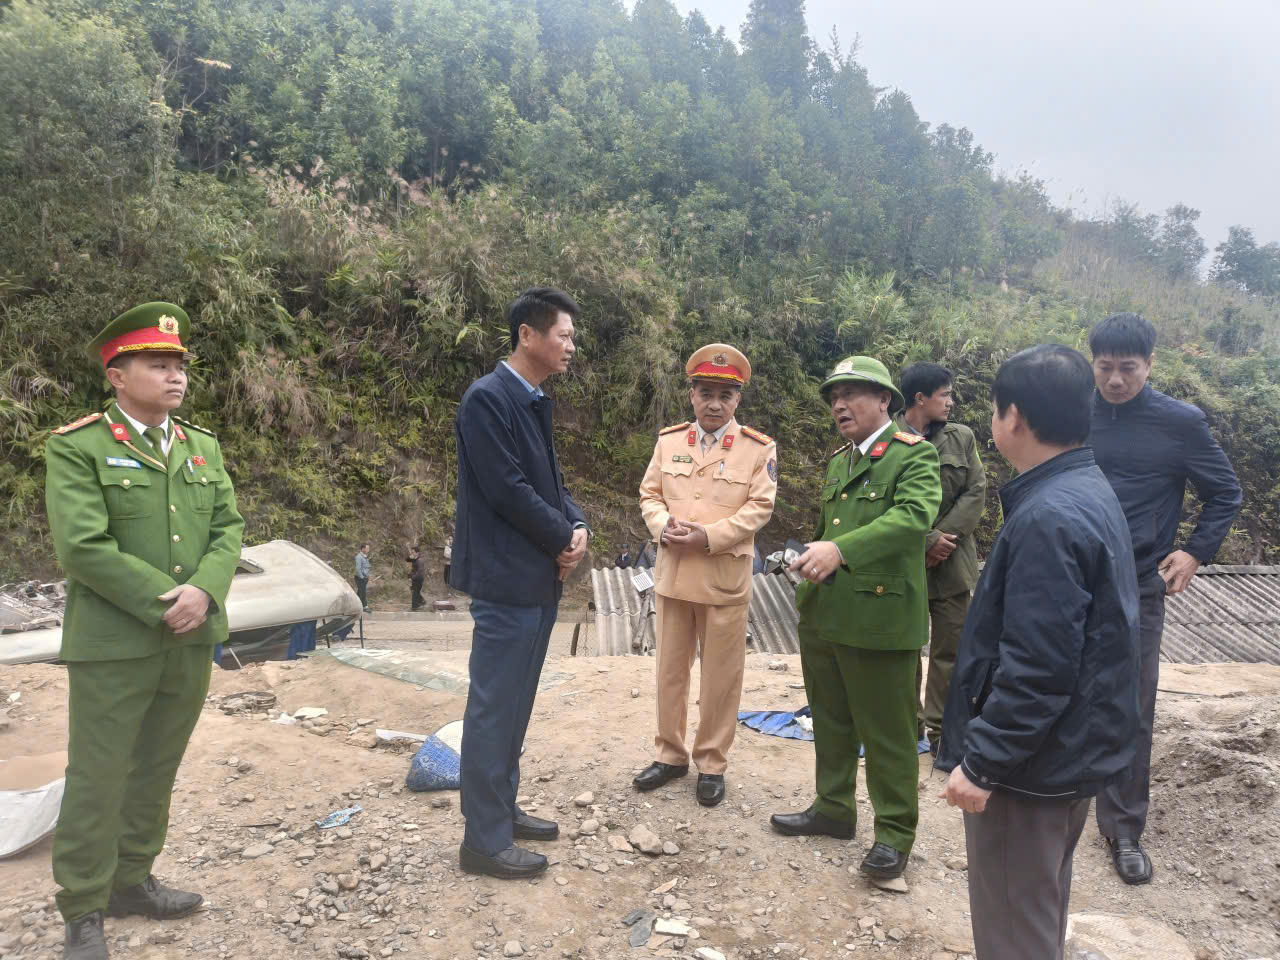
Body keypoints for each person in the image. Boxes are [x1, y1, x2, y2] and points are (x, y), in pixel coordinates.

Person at [45, 303, 245, 960]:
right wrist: (165, 601)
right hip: (114, 643)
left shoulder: (201, 447)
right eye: (157, 364)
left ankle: (132, 879)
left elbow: (228, 530)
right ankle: (82, 906)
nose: (174, 375)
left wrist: (205, 590)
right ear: (117, 375)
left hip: (189, 641)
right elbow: (82, 547)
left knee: (157, 767)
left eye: (178, 364)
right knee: (98, 775)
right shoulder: (79, 447)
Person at [936, 344, 1140, 960]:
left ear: (1013, 417)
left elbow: (1039, 665)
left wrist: (985, 762)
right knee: (1036, 906)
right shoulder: (1085, 486)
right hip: (1067, 749)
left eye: (996, 410)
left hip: (1029, 769)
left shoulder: (1048, 517)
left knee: (1011, 928)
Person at [1087, 312, 1242, 884]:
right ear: (1093, 364)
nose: (1117, 380)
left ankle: (1123, 827)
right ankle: (1051, 795)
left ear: (1151, 365)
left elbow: (1225, 492)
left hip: (1137, 582)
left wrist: (1195, 551)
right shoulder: (1073, 414)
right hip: (1070, 576)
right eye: (1105, 368)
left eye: (1129, 369)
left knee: (1130, 702)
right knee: (1054, 683)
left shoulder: (1180, 423)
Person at [772, 356, 940, 882]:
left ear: (886, 400)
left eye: (853, 394)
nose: (839, 405)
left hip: (880, 619)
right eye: (833, 397)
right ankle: (834, 808)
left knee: (887, 731)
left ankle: (893, 834)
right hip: (826, 614)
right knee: (831, 719)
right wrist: (812, 559)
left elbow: (913, 518)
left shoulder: (915, 456)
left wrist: (839, 550)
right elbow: (830, 530)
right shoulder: (840, 460)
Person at [451, 287, 590, 879]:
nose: (570, 348)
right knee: (492, 708)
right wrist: (561, 538)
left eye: (573, 339)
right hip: (507, 580)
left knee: (516, 705)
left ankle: (501, 812)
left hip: (536, 580)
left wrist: (577, 524)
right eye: (563, 336)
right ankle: (482, 841)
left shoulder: (532, 399)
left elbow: (549, 482)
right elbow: (508, 490)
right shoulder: (488, 399)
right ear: (527, 336)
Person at [635, 344, 778, 807]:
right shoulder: (669, 441)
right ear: (692, 395)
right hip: (674, 575)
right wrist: (662, 526)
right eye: (706, 393)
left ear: (737, 401)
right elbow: (650, 496)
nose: (715, 403)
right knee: (670, 672)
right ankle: (670, 754)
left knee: (721, 678)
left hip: (723, 578)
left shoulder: (759, 448)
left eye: (725, 395)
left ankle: (712, 763)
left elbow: (760, 507)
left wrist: (709, 537)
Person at [897, 362, 987, 753]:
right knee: (903, 648)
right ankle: (907, 724)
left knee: (950, 650)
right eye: (945, 394)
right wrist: (925, 538)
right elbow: (884, 500)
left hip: (952, 564)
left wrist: (943, 539)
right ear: (921, 398)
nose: (951, 402)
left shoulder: (962, 437)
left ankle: (939, 729)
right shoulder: (887, 437)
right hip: (903, 562)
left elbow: (976, 491)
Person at [406, 544, 425, 611]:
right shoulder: (415, 559)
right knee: (414, 591)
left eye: (413, 552)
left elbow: (419, 572)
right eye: (412, 552)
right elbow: (407, 559)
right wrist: (410, 555)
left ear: (417, 553)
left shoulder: (420, 560)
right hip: (414, 578)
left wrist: (412, 578)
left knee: (415, 592)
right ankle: (422, 602)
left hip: (418, 579)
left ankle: (414, 607)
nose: (412, 553)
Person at [354, 543, 371, 612]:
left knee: (359, 593)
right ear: (363, 549)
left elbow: (366, 567)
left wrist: (367, 576)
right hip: (360, 578)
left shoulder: (365, 556)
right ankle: (365, 607)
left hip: (365, 577)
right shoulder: (359, 557)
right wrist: (362, 577)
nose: (368, 550)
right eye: (367, 548)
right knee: (363, 592)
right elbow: (358, 569)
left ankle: (354, 605)